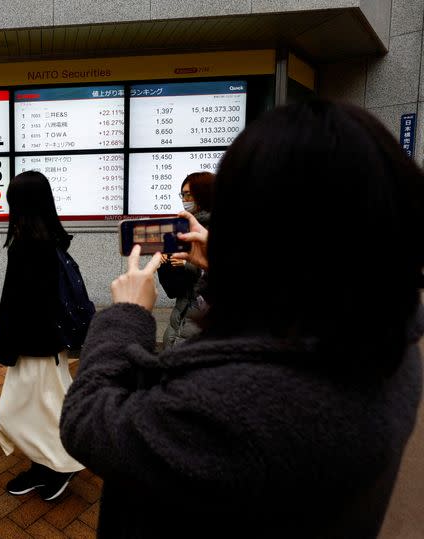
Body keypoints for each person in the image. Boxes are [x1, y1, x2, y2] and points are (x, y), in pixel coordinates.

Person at [60, 100, 423, 538]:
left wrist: (127, 315)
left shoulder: (236, 404)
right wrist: (232, 265)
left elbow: (87, 421)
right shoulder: (390, 344)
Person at [0, 171, 85, 501]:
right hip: (45, 345)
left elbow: (14, 304)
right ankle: (44, 466)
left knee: (19, 413)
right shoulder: (49, 239)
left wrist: (0, 350)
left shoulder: (28, 246)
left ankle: (65, 463)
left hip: (37, 348)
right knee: (37, 410)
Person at [157, 171, 214, 348]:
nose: (185, 199)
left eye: (190, 194)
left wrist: (190, 263)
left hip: (202, 324)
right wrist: (165, 264)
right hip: (180, 317)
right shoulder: (181, 228)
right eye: (183, 194)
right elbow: (174, 289)